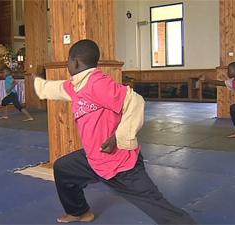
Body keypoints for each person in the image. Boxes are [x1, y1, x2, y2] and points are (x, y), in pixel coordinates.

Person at [32, 39, 197, 224]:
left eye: (68, 61)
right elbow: (56, 88)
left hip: (120, 164)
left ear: (75, 62)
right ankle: (79, 211)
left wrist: (119, 137)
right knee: (64, 168)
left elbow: (135, 101)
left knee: (157, 205)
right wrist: (37, 82)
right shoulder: (77, 86)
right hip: (94, 158)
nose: (68, 65)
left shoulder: (97, 83)